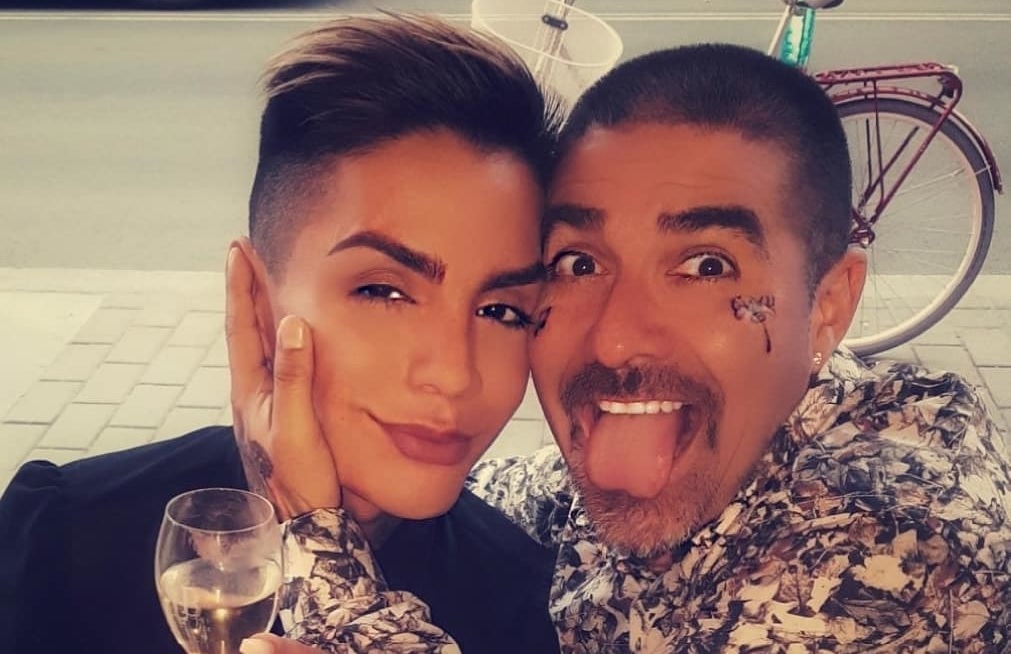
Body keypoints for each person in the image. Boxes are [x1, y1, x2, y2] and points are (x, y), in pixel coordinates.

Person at [243, 43, 1011, 653]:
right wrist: (378, 478)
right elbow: (538, 496)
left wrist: (319, 541)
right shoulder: (727, 429)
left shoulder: (893, 556)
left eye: (705, 267)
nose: (615, 336)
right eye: (578, 264)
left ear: (828, 307)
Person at [0, 14, 563, 654]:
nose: (455, 373)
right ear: (256, 298)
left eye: (502, 311)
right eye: (383, 291)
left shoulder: (520, 601)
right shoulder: (64, 537)